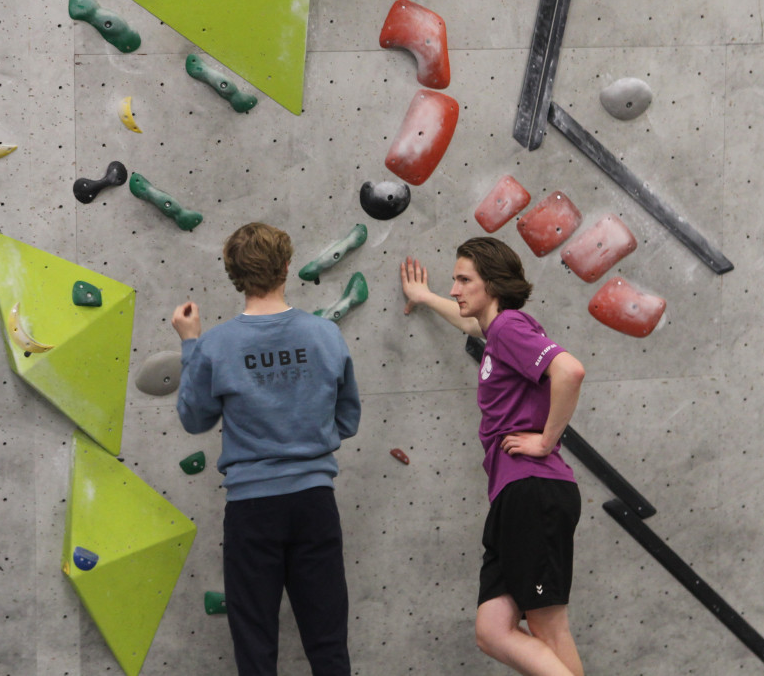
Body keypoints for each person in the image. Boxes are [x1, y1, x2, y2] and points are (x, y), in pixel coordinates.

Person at [172, 222, 361, 676]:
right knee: (328, 643)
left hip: (252, 508)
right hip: (315, 502)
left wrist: (190, 343)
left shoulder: (217, 344)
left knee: (255, 647)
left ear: (233, 275)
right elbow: (348, 418)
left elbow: (194, 418)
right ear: (287, 267)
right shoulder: (324, 335)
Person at [400, 237, 586, 676]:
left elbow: (570, 371)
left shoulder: (508, 328)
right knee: (492, 629)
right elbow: (470, 327)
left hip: (533, 489)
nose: (454, 289)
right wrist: (423, 297)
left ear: (494, 285)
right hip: (515, 493)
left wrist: (544, 441)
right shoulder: (499, 331)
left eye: (464, 280)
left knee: (548, 626)